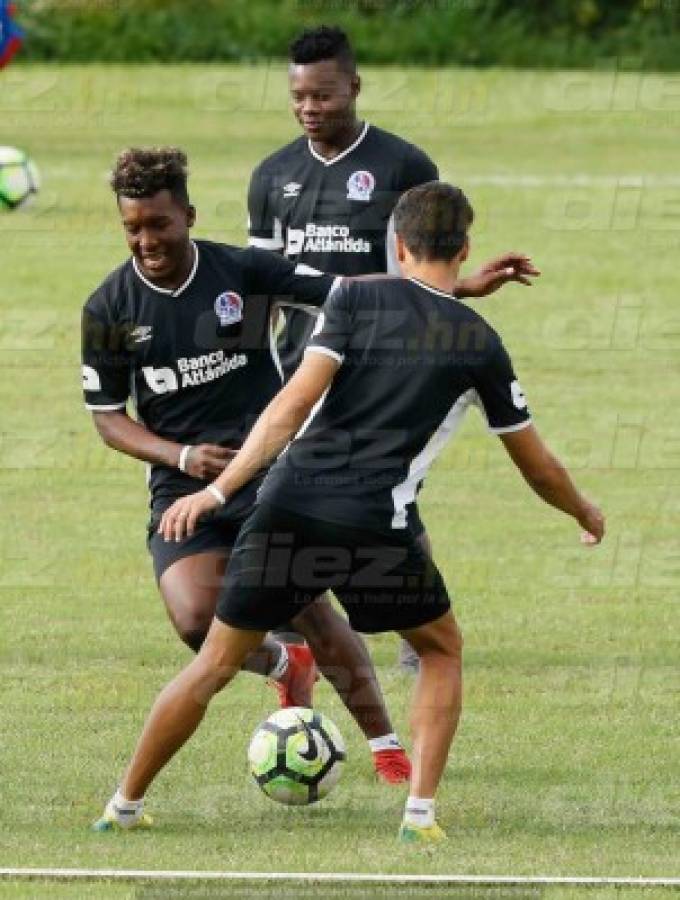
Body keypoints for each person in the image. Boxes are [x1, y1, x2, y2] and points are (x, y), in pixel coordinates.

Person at [93, 182, 604, 842]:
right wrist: (582, 511)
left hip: (285, 505)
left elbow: (287, 410)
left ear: (398, 245)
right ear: (464, 248)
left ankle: (123, 805)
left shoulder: (358, 298)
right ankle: (418, 815)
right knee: (440, 648)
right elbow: (537, 467)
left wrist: (217, 492)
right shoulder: (479, 341)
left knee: (214, 663)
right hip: (373, 527)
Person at [82, 146, 415, 785]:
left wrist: (436, 286)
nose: (146, 240)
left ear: (188, 215)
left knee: (311, 606)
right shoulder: (109, 308)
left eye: (159, 224)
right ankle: (282, 667)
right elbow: (107, 417)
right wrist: (180, 455)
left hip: (268, 469)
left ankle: (387, 748)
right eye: (133, 227)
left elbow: (344, 292)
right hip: (183, 483)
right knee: (192, 621)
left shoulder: (241, 270)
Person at [248, 24, 540, 669]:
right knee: (296, 487)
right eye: (298, 97)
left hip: (383, 362)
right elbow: (262, 281)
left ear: (353, 86)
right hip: (300, 363)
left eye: (322, 95)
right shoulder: (272, 176)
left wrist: (460, 285)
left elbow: (423, 269)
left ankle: (418, 630)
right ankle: (302, 623)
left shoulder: (403, 166)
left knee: (387, 490)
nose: (309, 109)